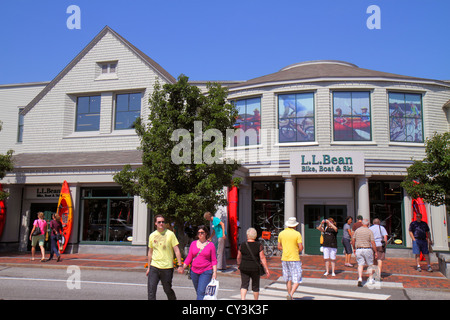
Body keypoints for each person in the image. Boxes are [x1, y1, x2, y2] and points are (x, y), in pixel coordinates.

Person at [146, 214, 183, 300]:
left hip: (167, 267)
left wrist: (180, 265)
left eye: (163, 222)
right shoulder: (152, 235)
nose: (161, 223)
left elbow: (176, 250)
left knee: (167, 289)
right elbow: (150, 252)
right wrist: (149, 267)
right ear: (155, 223)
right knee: (151, 290)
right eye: (159, 222)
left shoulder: (170, 234)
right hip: (154, 266)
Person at [181, 225, 217, 300]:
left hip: (206, 271)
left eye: (202, 232)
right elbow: (189, 257)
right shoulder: (193, 244)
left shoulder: (211, 245)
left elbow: (214, 260)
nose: (200, 234)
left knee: (201, 292)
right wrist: (183, 267)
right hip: (194, 271)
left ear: (206, 233)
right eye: (198, 233)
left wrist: (214, 272)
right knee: (199, 292)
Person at [237, 227, 270, 300]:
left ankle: (243, 299)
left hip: (244, 266)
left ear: (247, 235)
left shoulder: (242, 245)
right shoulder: (259, 245)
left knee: (244, 284)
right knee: (255, 286)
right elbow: (262, 258)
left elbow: (239, 257)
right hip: (255, 267)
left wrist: (239, 264)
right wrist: (266, 269)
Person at [278, 217, 303, 300]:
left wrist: (285, 248)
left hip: (285, 258)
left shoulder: (281, 233)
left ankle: (289, 295)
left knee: (288, 278)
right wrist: (296, 250)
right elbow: (300, 247)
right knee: (297, 278)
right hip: (294, 258)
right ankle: (291, 294)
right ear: (295, 225)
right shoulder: (297, 234)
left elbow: (279, 246)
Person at [352, 219, 377, 287]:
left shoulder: (357, 230)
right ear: (368, 224)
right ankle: (371, 279)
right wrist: (375, 251)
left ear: (362, 223)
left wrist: (354, 248)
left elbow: (353, 240)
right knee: (370, 264)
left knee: (360, 264)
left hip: (359, 249)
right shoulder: (369, 231)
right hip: (367, 249)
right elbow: (372, 242)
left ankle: (360, 278)